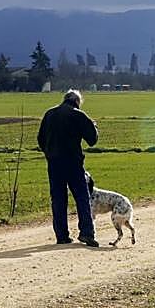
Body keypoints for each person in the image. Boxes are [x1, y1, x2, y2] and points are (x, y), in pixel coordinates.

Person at [37, 88, 99, 246]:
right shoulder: (78, 114)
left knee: (58, 199)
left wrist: (49, 154)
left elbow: (40, 139)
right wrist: (94, 127)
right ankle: (86, 233)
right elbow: (92, 140)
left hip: (54, 163)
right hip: (73, 162)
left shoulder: (49, 114)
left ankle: (62, 235)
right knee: (82, 197)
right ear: (77, 102)